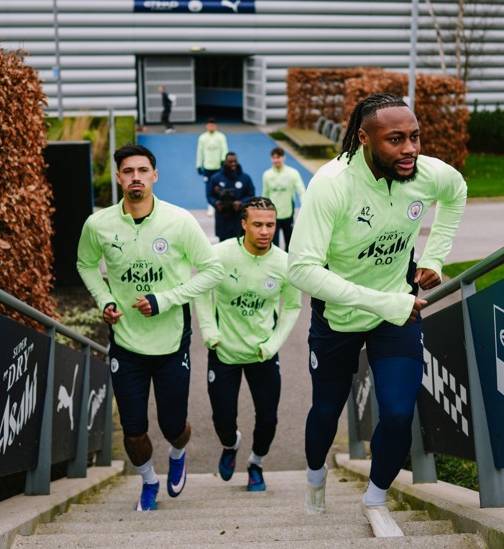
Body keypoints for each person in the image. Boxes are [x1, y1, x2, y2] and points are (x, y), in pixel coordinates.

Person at [287, 93, 466, 537]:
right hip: (340, 318)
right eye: (395, 140)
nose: (410, 150)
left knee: (400, 411)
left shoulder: (424, 174)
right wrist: (385, 302)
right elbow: (301, 269)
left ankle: (376, 499)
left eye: (415, 137)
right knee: (327, 410)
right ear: (363, 138)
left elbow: (456, 190)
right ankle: (314, 480)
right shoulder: (331, 184)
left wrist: (435, 257)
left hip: (397, 314)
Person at [76, 143, 225, 512]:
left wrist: (166, 299)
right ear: (119, 177)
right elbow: (85, 264)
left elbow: (213, 271)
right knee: (133, 429)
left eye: (143, 171)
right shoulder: (99, 224)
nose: (136, 178)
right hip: (126, 344)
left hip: (172, 341)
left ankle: (177, 453)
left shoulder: (179, 221)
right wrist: (105, 300)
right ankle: (148, 481)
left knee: (173, 425)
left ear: (154, 176)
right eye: (128, 171)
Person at [194, 197, 302, 492]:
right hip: (224, 351)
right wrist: (209, 331)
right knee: (223, 419)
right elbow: (201, 291)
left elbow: (293, 307)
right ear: (244, 225)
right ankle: (231, 445)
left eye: (270, 224)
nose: (265, 231)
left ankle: (256, 463)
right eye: (258, 225)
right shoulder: (219, 255)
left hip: (263, 353)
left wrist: (273, 344)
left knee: (268, 418)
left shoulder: (284, 262)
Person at [261, 147, 306, 251]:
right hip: (273, 216)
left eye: (278, 157)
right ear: (271, 159)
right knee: (273, 245)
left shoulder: (293, 173)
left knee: (289, 244)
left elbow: (301, 190)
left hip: (288, 214)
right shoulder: (267, 175)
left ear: (283, 158)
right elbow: (265, 194)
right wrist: (263, 211)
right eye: (274, 157)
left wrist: (304, 205)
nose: (276, 160)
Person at [208, 152, 255, 241]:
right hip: (222, 218)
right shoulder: (216, 178)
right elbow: (209, 195)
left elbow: (251, 195)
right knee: (223, 246)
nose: (233, 164)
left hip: (239, 218)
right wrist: (216, 203)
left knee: (240, 243)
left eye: (235, 161)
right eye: (230, 162)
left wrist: (241, 202)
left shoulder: (245, 178)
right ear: (225, 162)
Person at [196, 117, 228, 216]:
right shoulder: (202, 137)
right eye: (209, 124)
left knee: (219, 186)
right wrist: (198, 165)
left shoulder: (221, 136)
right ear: (207, 126)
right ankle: (210, 206)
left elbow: (224, 149)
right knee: (209, 187)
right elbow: (200, 151)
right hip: (207, 167)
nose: (211, 126)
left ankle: (220, 204)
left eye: (213, 124)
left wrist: (223, 161)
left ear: (215, 125)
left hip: (218, 166)